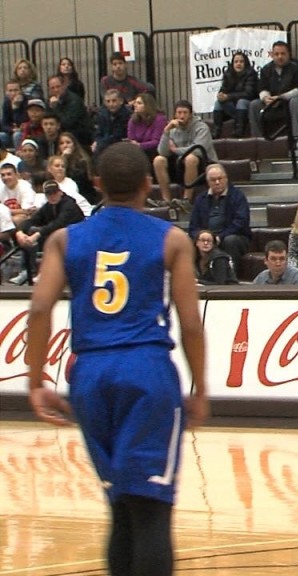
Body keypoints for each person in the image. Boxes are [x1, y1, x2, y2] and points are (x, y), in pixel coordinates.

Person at [24, 142, 207, 576]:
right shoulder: (172, 239)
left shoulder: (64, 239)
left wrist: (35, 382)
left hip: (89, 375)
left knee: (121, 505)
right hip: (146, 370)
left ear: (97, 184)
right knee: (150, 510)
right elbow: (190, 324)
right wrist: (200, 388)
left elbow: (38, 309)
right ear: (147, 184)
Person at [13, 179, 84, 284]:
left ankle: (45, 272)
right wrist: (19, 232)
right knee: (31, 231)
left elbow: (58, 223)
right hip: (61, 236)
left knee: (50, 236)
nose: (52, 196)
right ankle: (27, 271)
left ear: (60, 192)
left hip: (78, 236)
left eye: (54, 192)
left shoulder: (69, 205)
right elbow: (33, 220)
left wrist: (37, 235)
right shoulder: (48, 206)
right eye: (49, 194)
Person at [154, 100, 218, 209]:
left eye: (185, 112)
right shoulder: (172, 129)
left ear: (191, 114)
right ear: (175, 114)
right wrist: (166, 131)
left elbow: (198, 150)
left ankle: (186, 200)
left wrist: (175, 150)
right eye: (179, 113)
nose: (182, 116)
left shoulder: (202, 127)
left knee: (190, 158)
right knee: (158, 160)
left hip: (203, 165)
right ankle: (166, 200)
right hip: (180, 164)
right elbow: (162, 152)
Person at [249, 41, 298, 147]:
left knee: (295, 101)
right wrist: (266, 98)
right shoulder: (266, 69)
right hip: (273, 104)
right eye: (276, 54)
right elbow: (262, 88)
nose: (280, 57)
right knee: (254, 105)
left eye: (283, 54)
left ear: (289, 54)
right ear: (272, 55)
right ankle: (258, 140)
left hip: (294, 102)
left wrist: (280, 98)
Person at [187, 164, 251, 268]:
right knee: (187, 241)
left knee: (230, 240)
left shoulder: (238, 196)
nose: (217, 182)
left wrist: (220, 237)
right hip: (207, 236)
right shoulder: (200, 199)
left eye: (220, 179)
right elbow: (193, 226)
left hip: (232, 236)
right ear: (208, 182)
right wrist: (200, 237)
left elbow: (241, 222)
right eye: (213, 180)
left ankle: (229, 274)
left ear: (226, 179)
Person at [213, 52, 258, 139]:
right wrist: (221, 95)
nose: (238, 64)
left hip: (247, 107)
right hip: (233, 107)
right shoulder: (228, 74)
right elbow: (223, 89)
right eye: (236, 62)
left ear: (246, 63)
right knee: (218, 103)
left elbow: (248, 94)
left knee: (241, 102)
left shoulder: (251, 73)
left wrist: (228, 97)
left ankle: (239, 130)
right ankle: (216, 131)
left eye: (241, 61)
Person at [47, 74, 92, 146]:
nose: (56, 90)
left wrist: (56, 107)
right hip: (59, 136)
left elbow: (67, 122)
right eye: (52, 88)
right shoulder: (51, 100)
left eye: (58, 87)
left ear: (64, 86)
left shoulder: (74, 100)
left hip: (79, 138)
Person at [59, 132, 99, 205]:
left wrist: (65, 160)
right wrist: (63, 159)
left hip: (83, 196)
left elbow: (77, 180)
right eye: (62, 143)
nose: (65, 145)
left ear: (74, 145)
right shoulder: (57, 160)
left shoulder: (82, 161)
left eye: (68, 142)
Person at [127, 93, 168, 163]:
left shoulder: (160, 119)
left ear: (148, 106)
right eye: (135, 103)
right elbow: (131, 138)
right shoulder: (133, 120)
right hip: (137, 151)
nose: (135, 105)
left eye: (139, 103)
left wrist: (140, 145)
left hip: (154, 151)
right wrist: (134, 144)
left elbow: (157, 141)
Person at [93, 89, 131, 158]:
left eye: (114, 101)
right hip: (103, 143)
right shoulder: (102, 114)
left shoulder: (126, 115)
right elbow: (99, 132)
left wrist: (100, 143)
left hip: (119, 144)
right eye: (108, 101)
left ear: (121, 101)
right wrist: (96, 141)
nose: (111, 104)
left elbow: (118, 135)